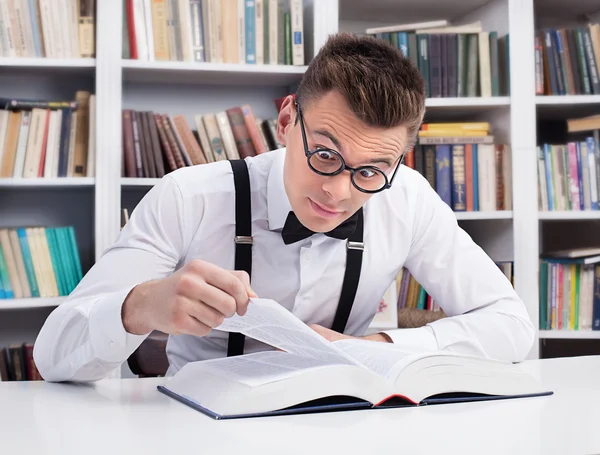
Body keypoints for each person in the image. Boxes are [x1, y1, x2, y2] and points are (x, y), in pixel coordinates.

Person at [33, 33, 535, 382]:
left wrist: (373, 348)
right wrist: (139, 306)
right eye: (325, 154)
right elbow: (54, 356)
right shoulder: (186, 197)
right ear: (288, 118)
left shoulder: (407, 198)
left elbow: (512, 327)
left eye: (370, 171)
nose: (339, 191)